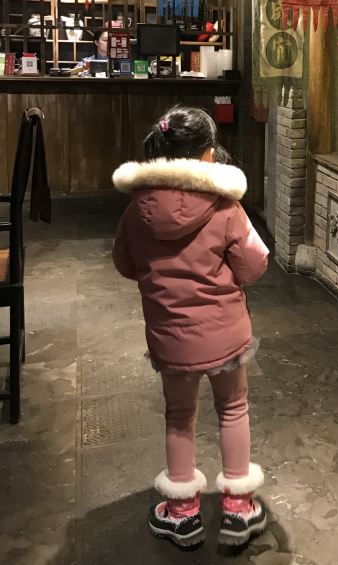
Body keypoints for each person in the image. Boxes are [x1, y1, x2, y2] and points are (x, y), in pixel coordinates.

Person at [111, 105, 269, 551]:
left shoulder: (135, 210)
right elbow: (254, 265)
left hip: (170, 338)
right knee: (233, 409)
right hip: (225, 334)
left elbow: (124, 263)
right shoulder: (226, 207)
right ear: (208, 154)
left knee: (179, 416)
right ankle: (238, 509)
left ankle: (182, 514)